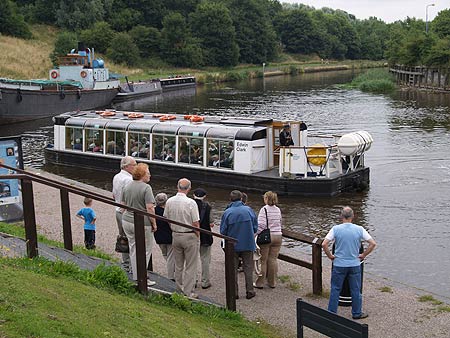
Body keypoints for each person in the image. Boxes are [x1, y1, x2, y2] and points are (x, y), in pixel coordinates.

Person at [322, 206, 377, 319]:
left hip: (339, 264)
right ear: (353, 216)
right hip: (354, 264)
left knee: (335, 289)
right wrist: (363, 255)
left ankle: (332, 313)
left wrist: (330, 256)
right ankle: (356, 313)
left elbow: (324, 244)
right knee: (356, 290)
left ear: (341, 216)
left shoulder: (335, 229)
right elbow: (372, 243)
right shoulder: (359, 229)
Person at [121, 163, 157, 285]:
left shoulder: (127, 186)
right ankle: (142, 277)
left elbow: (123, 204)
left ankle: (135, 273)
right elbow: (150, 208)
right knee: (145, 250)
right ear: (142, 175)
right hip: (142, 222)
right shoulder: (146, 188)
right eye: (148, 173)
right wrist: (154, 223)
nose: (150, 175)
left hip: (127, 220)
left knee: (133, 247)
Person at [163, 178, 200, 298]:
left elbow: (167, 218)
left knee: (178, 265)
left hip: (175, 234)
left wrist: (173, 228)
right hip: (189, 235)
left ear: (177, 187)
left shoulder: (169, 201)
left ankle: (179, 288)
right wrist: (197, 235)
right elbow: (195, 223)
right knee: (190, 265)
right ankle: (188, 292)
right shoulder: (191, 203)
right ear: (189, 189)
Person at [220, 190, 258, 300]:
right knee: (248, 267)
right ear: (241, 198)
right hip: (248, 243)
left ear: (230, 199)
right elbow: (255, 227)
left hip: (232, 245)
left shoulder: (227, 213)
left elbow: (223, 231)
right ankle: (250, 291)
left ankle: (234, 292)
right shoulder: (249, 210)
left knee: (233, 269)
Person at [254, 191, 283, 289]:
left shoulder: (264, 209)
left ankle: (260, 283)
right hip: (278, 236)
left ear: (266, 199)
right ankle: (272, 282)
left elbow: (261, 225)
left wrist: (255, 234)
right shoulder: (278, 210)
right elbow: (280, 222)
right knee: (273, 259)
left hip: (267, 237)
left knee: (263, 260)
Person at [112, 156, 136, 273]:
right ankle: (132, 266)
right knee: (132, 239)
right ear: (126, 166)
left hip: (117, 210)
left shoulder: (116, 177)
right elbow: (129, 197)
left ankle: (126, 264)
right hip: (126, 212)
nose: (135, 168)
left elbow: (113, 195)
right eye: (134, 165)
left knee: (123, 237)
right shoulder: (129, 180)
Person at [193, 188, 214, 289]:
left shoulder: (189, 204)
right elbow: (211, 222)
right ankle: (205, 281)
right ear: (204, 196)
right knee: (205, 259)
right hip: (205, 236)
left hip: (191, 234)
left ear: (193, 195)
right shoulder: (208, 206)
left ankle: (193, 280)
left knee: (192, 259)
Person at [154, 193, 175, 281]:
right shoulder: (168, 211)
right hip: (169, 236)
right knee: (170, 256)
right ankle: (171, 275)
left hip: (158, 236)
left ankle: (171, 267)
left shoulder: (153, 211)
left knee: (164, 254)